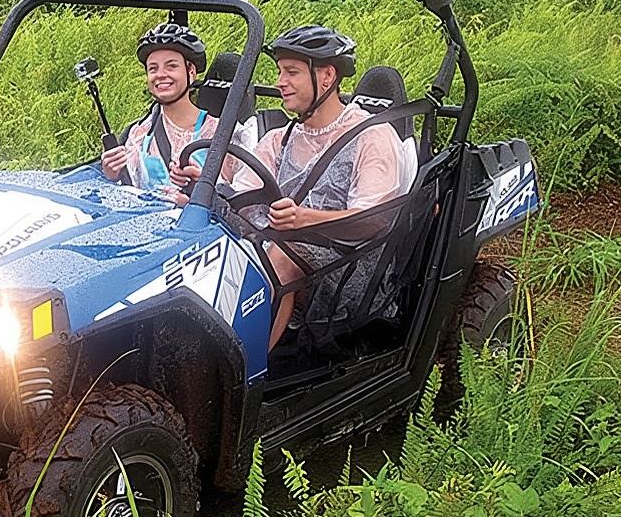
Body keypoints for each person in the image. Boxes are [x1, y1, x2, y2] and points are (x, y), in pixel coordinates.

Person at [174, 24, 415, 351]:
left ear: (327, 76)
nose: (280, 82)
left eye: (291, 72)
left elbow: (373, 219)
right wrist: (204, 187)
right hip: (275, 247)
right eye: (279, 71)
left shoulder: (371, 136)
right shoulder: (279, 139)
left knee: (282, 256)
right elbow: (242, 199)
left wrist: (304, 219)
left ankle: (246, 366)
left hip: (351, 268)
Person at [100, 22, 250, 195]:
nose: (160, 74)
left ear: (191, 71)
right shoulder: (138, 135)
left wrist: (203, 190)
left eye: (171, 66)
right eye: (153, 69)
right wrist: (113, 175)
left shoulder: (224, 135)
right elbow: (127, 192)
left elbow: (243, 199)